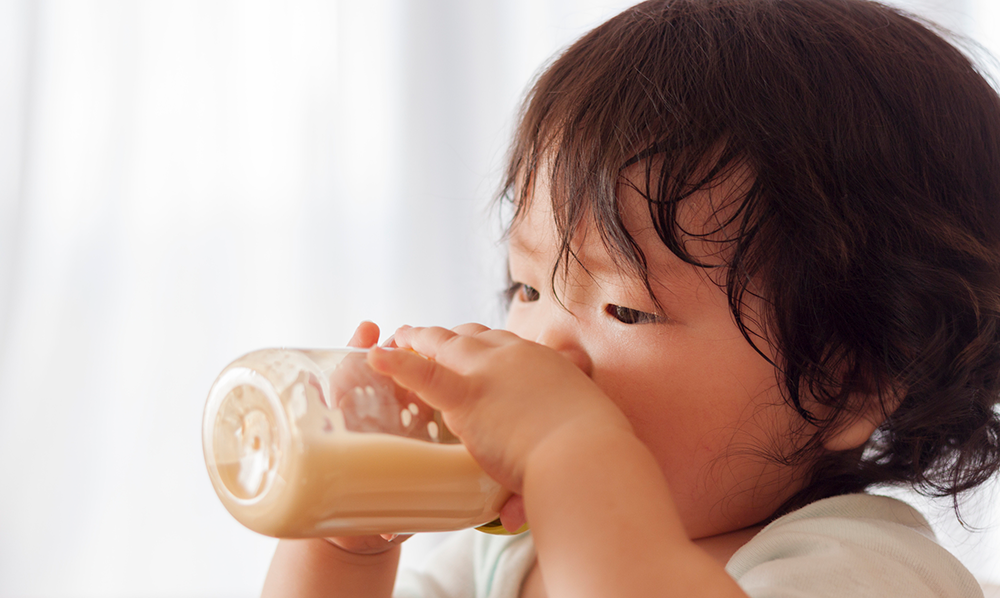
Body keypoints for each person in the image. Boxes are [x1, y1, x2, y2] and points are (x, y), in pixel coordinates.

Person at [261, 0, 1000, 596]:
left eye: (626, 308)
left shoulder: (865, 571)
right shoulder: (500, 563)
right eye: (526, 286)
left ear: (847, 382)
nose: (538, 348)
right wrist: (346, 539)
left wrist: (564, 447)